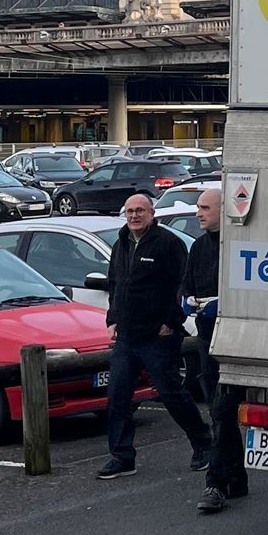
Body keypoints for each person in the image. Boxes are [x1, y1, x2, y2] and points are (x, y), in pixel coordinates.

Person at [98, 192, 211, 479]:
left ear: (152, 214)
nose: (134, 216)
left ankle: (203, 445)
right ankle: (122, 457)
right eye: (130, 211)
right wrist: (113, 318)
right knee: (118, 397)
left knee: (171, 394)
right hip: (127, 337)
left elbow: (184, 284)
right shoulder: (120, 243)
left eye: (140, 211)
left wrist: (172, 322)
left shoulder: (168, 244)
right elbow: (115, 284)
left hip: (158, 337)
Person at [184, 184, 246, 514]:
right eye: (198, 208)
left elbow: (248, 288)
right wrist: (186, 299)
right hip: (207, 339)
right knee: (218, 412)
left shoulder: (236, 246)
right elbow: (187, 282)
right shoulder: (197, 247)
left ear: (222, 209)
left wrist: (225, 304)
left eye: (205, 208)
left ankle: (216, 483)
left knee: (222, 410)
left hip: (233, 341)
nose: (198, 213)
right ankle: (237, 478)